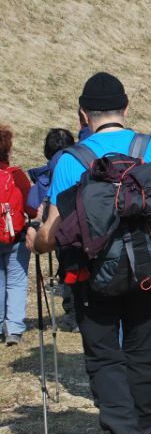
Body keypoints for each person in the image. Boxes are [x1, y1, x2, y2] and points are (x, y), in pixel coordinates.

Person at [26, 72, 151, 434]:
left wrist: (36, 242)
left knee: (104, 356)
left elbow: (53, 232)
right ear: (127, 109)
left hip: (92, 276)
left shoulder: (70, 161)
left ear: (83, 113)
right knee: (144, 355)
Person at [26, 128, 78, 332]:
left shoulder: (50, 169)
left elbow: (34, 203)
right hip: (84, 222)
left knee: (68, 268)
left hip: (58, 226)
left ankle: (73, 315)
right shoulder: (79, 160)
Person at [0, 123, 33, 346]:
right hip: (16, 236)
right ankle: (14, 329)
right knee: (17, 281)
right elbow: (31, 207)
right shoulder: (16, 175)